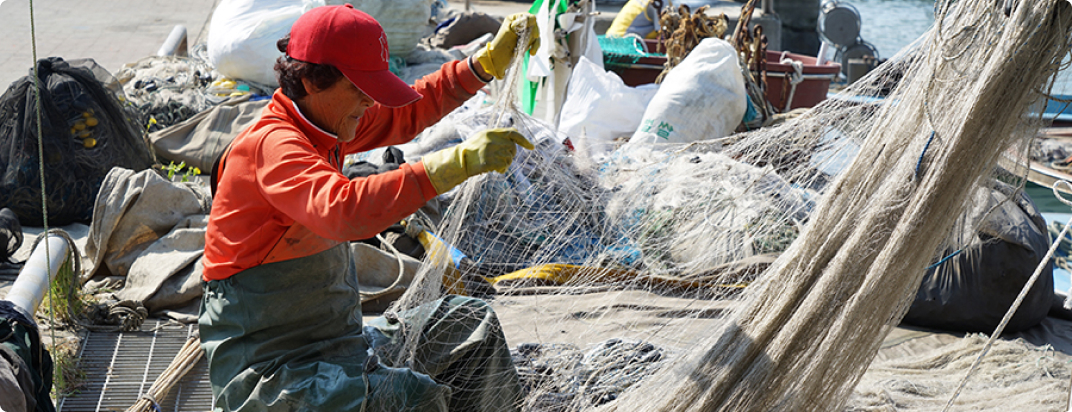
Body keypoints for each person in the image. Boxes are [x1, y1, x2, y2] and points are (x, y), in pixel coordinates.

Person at [197, 5, 539, 411]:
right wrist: (454, 164)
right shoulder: (272, 146)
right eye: (360, 89)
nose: (368, 102)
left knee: (469, 324)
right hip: (270, 372)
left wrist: (480, 67)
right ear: (310, 80)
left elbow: (405, 112)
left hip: (339, 344)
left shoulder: (326, 123)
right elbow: (343, 211)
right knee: (410, 397)